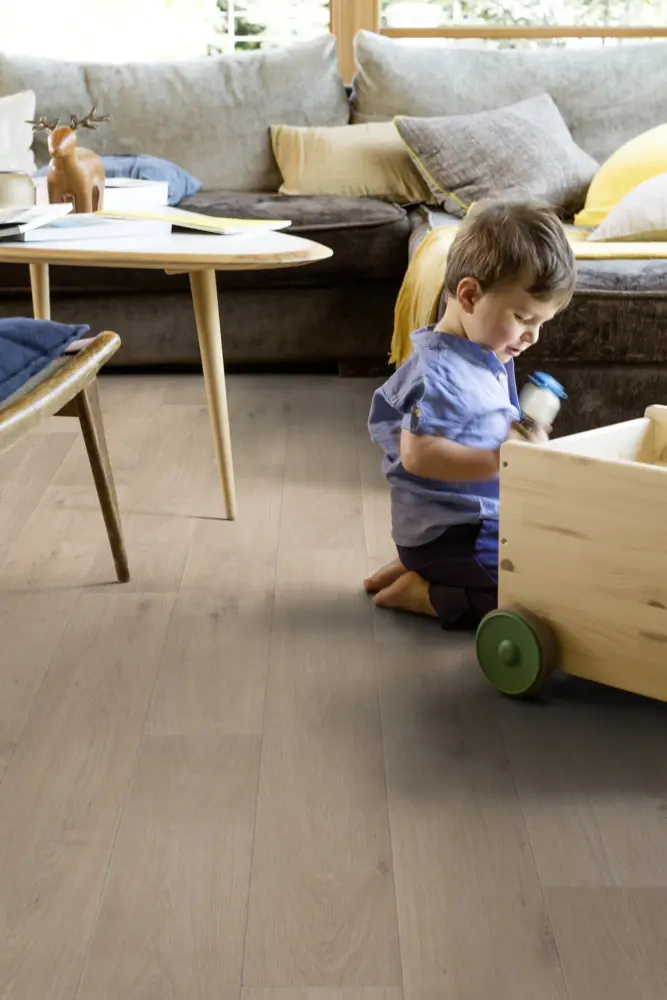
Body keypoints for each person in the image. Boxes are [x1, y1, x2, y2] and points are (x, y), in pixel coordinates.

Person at [365, 199, 576, 629]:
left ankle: (421, 567)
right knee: (538, 592)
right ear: (469, 295)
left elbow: (481, 423)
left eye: (542, 323)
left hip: (461, 526)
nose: (533, 336)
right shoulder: (439, 374)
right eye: (523, 317)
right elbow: (418, 456)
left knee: (557, 543)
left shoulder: (484, 353)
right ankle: (428, 594)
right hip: (456, 534)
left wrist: (522, 433)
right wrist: (500, 457)